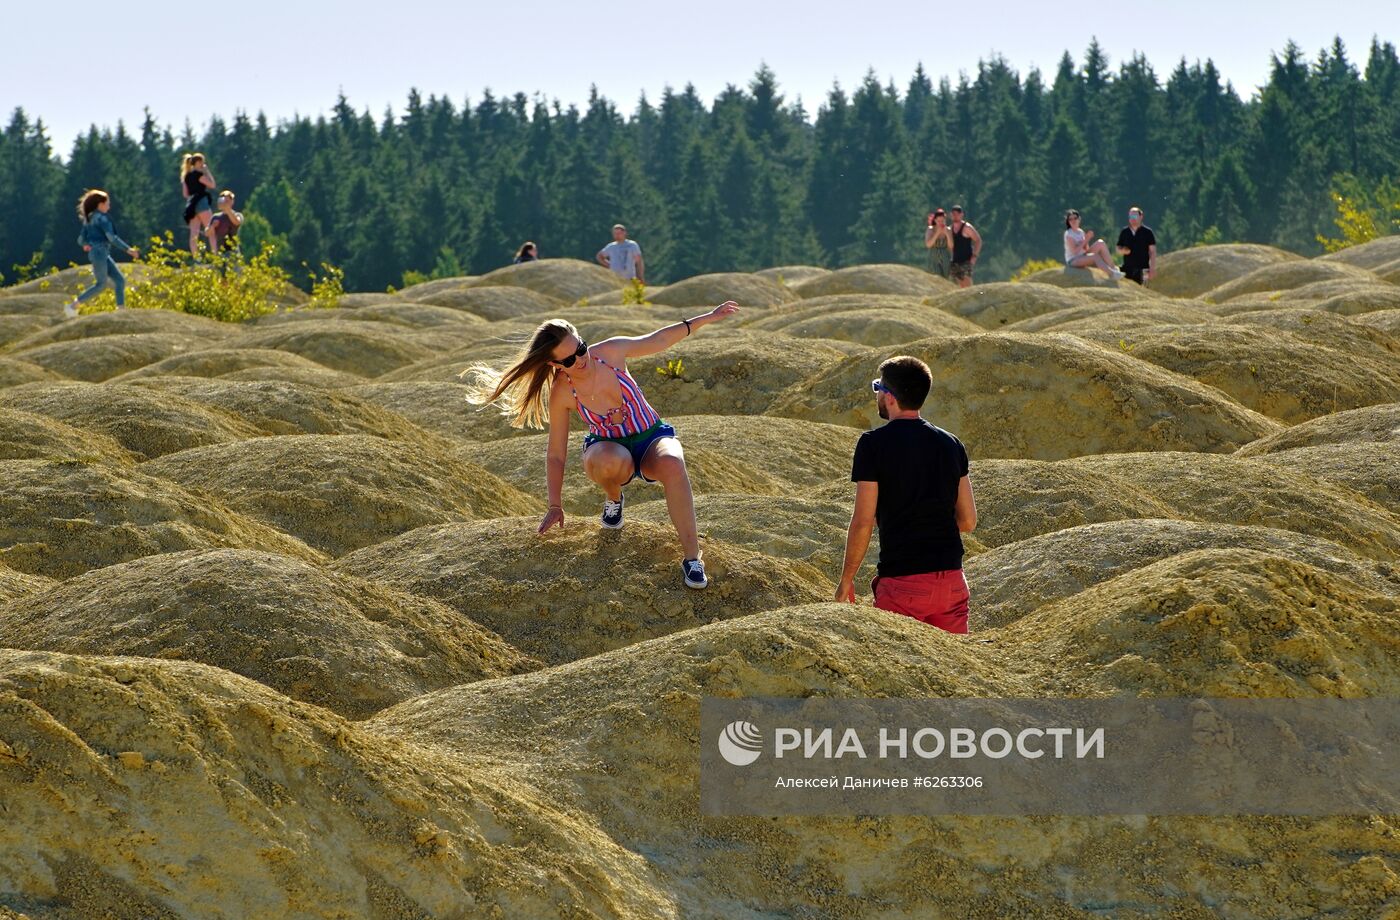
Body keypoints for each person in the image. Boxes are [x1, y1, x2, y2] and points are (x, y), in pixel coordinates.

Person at [464, 301, 741, 589]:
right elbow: (556, 454)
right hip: (608, 448)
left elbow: (658, 339)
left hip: (651, 437)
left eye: (580, 349)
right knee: (607, 462)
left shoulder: (610, 353)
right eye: (568, 360)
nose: (580, 360)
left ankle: (692, 557)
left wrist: (707, 317)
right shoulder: (562, 392)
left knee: (673, 463)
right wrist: (555, 505)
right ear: (554, 365)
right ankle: (614, 498)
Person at [836, 355, 977, 634]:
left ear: (889, 397)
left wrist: (846, 580)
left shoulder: (872, 445)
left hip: (903, 584)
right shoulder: (951, 443)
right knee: (953, 669)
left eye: (878, 389)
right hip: (952, 583)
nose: (877, 396)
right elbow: (969, 520)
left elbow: (863, 521)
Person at [62, 190, 140, 319]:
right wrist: (128, 250)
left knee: (120, 280)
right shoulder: (103, 219)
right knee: (101, 284)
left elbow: (80, 240)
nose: (109, 206)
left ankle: (121, 309)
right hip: (100, 253)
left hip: (100, 253)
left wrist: (86, 244)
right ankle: (73, 306)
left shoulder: (90, 219)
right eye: (107, 203)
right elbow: (112, 238)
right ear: (100, 204)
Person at [1063, 209, 1125, 279]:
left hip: (1082, 255)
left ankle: (1113, 268)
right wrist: (1085, 240)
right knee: (1095, 256)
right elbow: (1074, 252)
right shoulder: (1068, 234)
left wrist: (1087, 239)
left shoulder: (1080, 232)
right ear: (1068, 222)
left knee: (1100, 243)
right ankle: (1111, 274)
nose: (1073, 221)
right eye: (1070, 219)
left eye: (1075, 218)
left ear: (1079, 219)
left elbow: (1086, 249)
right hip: (1073, 260)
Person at [180, 153, 218, 257]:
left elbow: (185, 194)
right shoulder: (199, 175)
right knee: (211, 230)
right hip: (202, 202)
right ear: (197, 162)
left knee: (194, 234)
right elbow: (212, 185)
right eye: (202, 162)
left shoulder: (186, 176)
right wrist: (207, 172)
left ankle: (196, 259)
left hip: (191, 205)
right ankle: (215, 256)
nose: (203, 164)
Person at [1116, 207, 1158, 285]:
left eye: (1134, 216)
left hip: (1144, 268)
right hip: (1127, 268)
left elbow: (1152, 251)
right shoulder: (1124, 232)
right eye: (1130, 217)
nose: (1132, 219)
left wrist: (1152, 268)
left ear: (1141, 217)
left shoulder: (1148, 232)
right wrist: (1123, 251)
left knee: (1144, 290)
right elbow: (1118, 248)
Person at [947, 205, 981, 288]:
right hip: (955, 260)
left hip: (966, 260)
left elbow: (978, 240)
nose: (955, 216)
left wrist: (975, 256)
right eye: (953, 214)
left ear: (961, 214)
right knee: (960, 285)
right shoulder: (950, 229)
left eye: (957, 214)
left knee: (967, 282)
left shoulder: (967, 227)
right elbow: (950, 246)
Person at [205, 190, 243, 254]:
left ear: (232, 202)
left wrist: (228, 210)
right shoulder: (216, 217)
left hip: (233, 250)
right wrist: (212, 226)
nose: (226, 203)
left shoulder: (237, 215)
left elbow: (237, 222)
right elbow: (207, 233)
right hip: (220, 251)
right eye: (224, 201)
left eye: (228, 201)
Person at [924, 209, 952, 279]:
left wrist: (947, 234)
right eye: (939, 221)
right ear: (935, 220)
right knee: (935, 278)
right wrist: (937, 233)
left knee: (945, 279)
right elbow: (928, 245)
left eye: (942, 221)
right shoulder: (930, 229)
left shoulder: (948, 230)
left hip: (945, 257)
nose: (941, 223)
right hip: (933, 257)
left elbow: (951, 246)